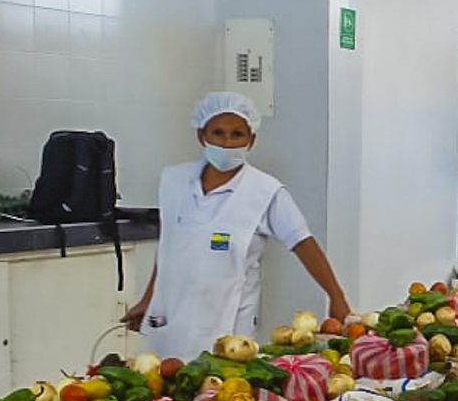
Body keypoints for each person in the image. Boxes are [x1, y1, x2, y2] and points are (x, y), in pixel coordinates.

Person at [124, 91, 352, 359]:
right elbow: (170, 248)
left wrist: (337, 297)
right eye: (218, 133)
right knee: (159, 390)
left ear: (251, 140)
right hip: (169, 321)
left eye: (237, 135)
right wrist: (148, 299)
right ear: (201, 136)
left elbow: (303, 243)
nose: (227, 142)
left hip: (227, 329)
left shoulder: (264, 192)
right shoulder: (174, 181)